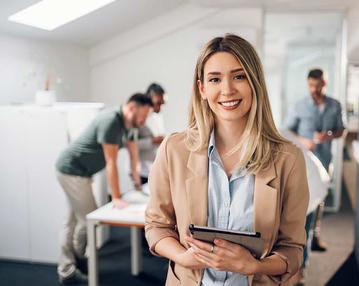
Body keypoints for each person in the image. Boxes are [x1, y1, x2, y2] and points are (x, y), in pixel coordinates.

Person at [145, 34, 309, 286]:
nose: (227, 90)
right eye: (215, 79)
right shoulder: (174, 150)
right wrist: (184, 257)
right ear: (202, 89)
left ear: (255, 83)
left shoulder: (288, 159)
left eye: (239, 76)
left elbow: (293, 248)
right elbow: (157, 226)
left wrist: (254, 265)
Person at [55, 93, 152, 284]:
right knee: (88, 218)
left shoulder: (130, 126)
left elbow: (133, 157)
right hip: (72, 170)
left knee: (72, 221)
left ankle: (69, 266)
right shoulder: (111, 121)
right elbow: (111, 163)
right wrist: (115, 197)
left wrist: (137, 185)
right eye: (143, 115)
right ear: (131, 108)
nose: (144, 120)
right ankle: (76, 263)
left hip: (81, 172)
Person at [286, 68, 345, 284]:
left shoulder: (335, 105)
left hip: (325, 163)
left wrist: (329, 135)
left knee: (318, 207)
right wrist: (304, 140)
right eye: (311, 85)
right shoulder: (299, 105)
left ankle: (315, 237)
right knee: (306, 212)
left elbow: (342, 130)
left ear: (325, 83)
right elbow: (287, 130)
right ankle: (301, 264)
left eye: (318, 85)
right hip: (306, 165)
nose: (314, 90)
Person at [137, 83, 166, 184]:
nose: (160, 107)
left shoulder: (158, 116)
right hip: (141, 171)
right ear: (149, 98)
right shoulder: (139, 117)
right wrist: (152, 141)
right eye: (158, 103)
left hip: (155, 169)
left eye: (162, 103)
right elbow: (131, 144)